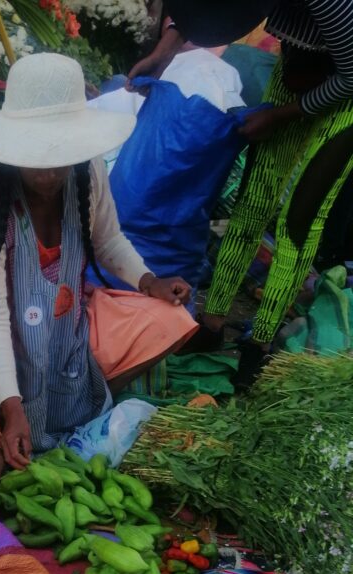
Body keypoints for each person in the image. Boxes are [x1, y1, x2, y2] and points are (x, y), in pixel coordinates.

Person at [0, 52, 197, 485]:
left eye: (61, 154)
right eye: (37, 156)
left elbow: (109, 240)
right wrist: (12, 406)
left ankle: (75, 406)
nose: (50, 171)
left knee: (169, 319)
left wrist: (149, 280)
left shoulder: (87, 171)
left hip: (62, 319)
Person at [128, 0, 353, 349]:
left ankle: (260, 344)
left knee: (299, 221)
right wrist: (164, 52)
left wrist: (279, 115)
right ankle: (212, 323)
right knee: (252, 203)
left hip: (346, 93)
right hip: (297, 68)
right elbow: (207, 8)